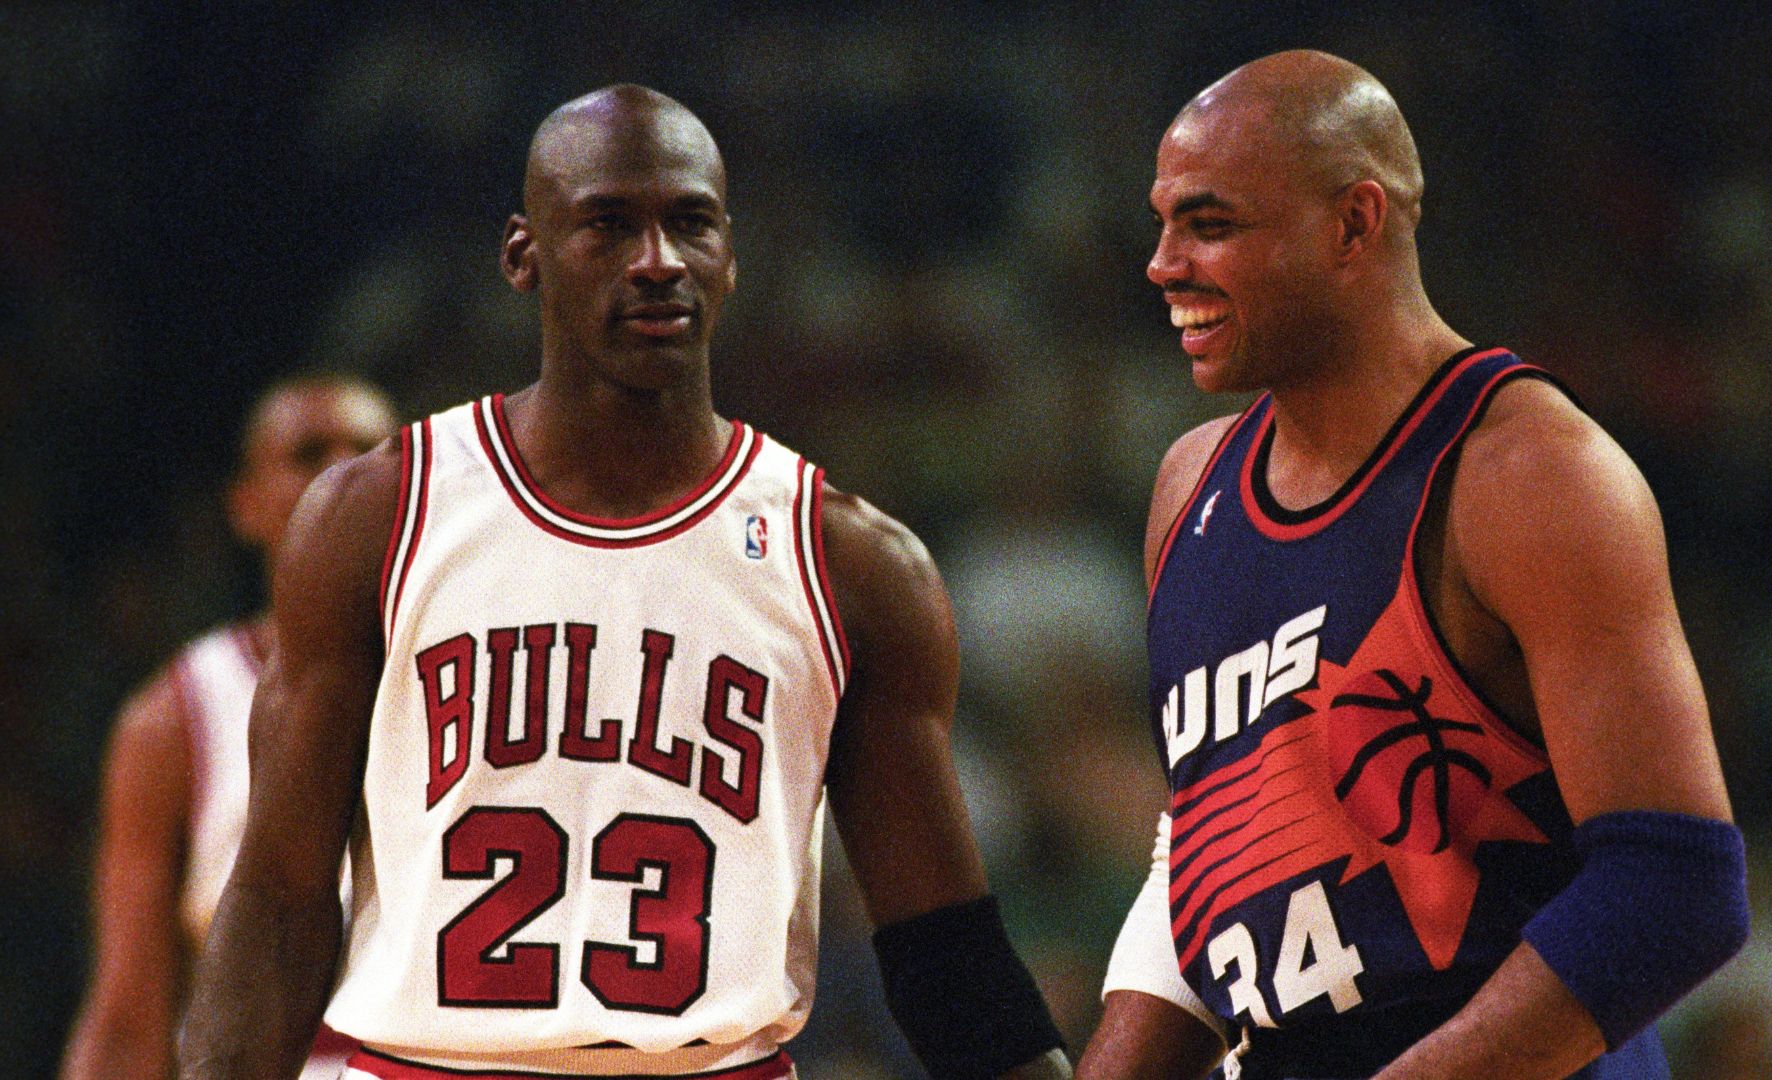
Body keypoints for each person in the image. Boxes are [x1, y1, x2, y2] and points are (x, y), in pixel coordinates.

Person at [177, 85, 1071, 1080]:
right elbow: (279, 900)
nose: (657, 261)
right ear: (523, 256)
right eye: (609, 225)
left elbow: (945, 955)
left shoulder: (852, 563)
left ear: (729, 257)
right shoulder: (376, 516)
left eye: (690, 223)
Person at [1078, 51, 1747, 1080]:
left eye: (1209, 225)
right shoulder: (1189, 486)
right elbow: (1207, 852)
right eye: (1163, 223)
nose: (1162, 264)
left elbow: (1675, 888)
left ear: (1354, 223)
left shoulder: (1528, 471)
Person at [60, 375, 399, 1080]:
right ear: (245, 506)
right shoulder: (173, 715)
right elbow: (128, 1016)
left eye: (369, 451)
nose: (343, 471)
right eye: (308, 453)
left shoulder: (476, 665)